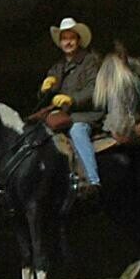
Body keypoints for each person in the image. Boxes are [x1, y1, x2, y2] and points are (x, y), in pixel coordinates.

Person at [40, 16, 103, 196]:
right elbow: (47, 93)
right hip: (63, 114)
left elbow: (94, 89)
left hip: (86, 113)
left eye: (71, 38)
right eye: (64, 39)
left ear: (78, 40)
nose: (68, 42)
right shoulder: (58, 67)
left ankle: (93, 180)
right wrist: (45, 89)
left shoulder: (90, 61)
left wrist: (72, 100)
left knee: (77, 130)